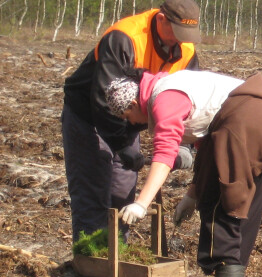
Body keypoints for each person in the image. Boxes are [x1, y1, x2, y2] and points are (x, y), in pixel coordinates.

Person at [105, 70, 262, 277]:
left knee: (223, 199)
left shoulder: (164, 98)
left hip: (243, 122)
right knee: (246, 203)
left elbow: (165, 153)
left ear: (134, 103)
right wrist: (192, 195)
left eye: (127, 117)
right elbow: (207, 151)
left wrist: (141, 203)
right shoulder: (172, 84)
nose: (132, 123)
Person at [62, 0, 201, 244]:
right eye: (176, 32)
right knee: (92, 189)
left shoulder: (186, 51)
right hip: (88, 115)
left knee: (123, 190)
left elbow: (188, 101)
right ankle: (89, 260)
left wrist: (184, 146)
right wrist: (122, 146)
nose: (180, 41)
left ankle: (118, 255)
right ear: (160, 20)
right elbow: (104, 98)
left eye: (186, 35)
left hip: (130, 120)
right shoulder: (124, 37)